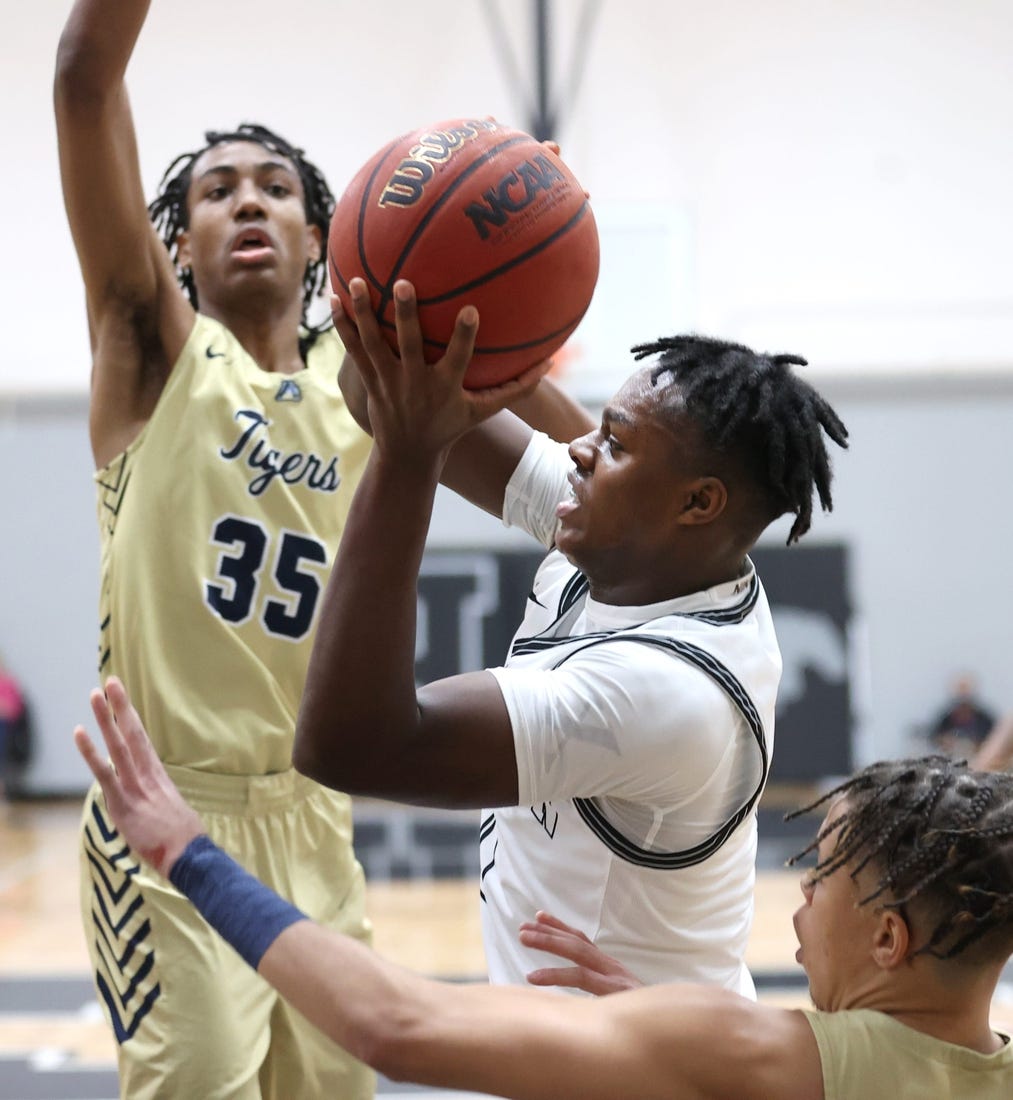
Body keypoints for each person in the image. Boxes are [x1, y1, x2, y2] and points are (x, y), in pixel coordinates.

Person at [52, 4, 590, 1096]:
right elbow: (81, 80)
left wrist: (486, 325)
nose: (245, 196)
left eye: (275, 187)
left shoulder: (376, 384)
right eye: (214, 189)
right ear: (177, 246)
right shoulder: (153, 348)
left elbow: (577, 484)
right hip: (166, 802)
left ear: (319, 240)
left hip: (313, 808)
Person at [291, 278, 849, 996]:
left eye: (612, 443)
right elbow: (377, 397)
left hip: (644, 1069)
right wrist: (417, 285)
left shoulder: (667, 696)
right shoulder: (643, 539)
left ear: (698, 502)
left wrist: (407, 458)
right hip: (595, 1044)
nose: (580, 450)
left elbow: (347, 746)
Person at [75, 678, 1013, 1099]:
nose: (800, 898)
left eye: (823, 875)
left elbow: (395, 1029)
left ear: (889, 941)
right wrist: (655, 1032)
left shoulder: (765, 1052)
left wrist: (188, 853)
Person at [927, 675, 996, 760]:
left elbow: (995, 740)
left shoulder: (985, 720)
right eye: (960, 699)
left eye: (966, 698)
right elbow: (933, 738)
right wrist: (945, 742)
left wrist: (977, 746)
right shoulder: (946, 719)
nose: (963, 703)